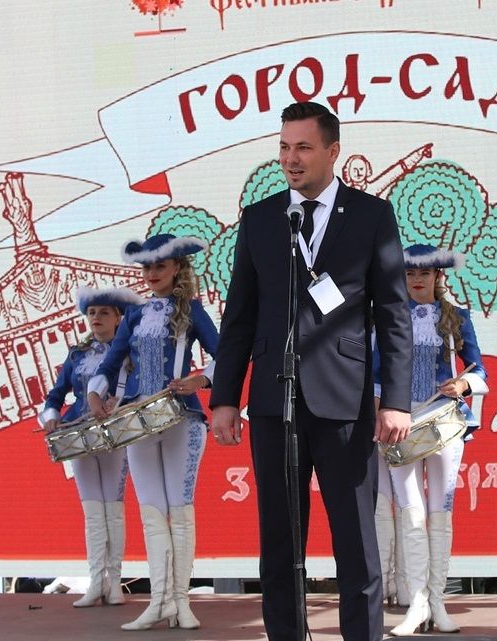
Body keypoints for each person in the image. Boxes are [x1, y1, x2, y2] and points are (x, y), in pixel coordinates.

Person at [208, 101, 414, 641]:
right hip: (274, 402)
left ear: (332, 151)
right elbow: (239, 316)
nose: (290, 159)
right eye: (283, 147)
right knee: (279, 545)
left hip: (344, 401)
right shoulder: (261, 218)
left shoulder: (371, 215)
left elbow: (394, 315)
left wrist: (396, 400)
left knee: (356, 544)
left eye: (303, 147)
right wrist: (225, 397)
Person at [86, 235, 219, 631]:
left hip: (181, 418)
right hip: (138, 421)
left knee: (179, 511)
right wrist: (95, 394)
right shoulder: (134, 315)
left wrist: (200, 380)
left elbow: (225, 353)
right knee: (152, 514)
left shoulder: (192, 310)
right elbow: (110, 363)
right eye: (146, 267)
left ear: (177, 267)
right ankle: (159, 602)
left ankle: (181, 603)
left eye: (160, 266)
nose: (152, 273)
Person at [374, 245, 487, 635]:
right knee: (411, 512)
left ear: (439, 276)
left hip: (444, 422)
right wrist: (379, 411)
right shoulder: (388, 318)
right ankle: (417, 603)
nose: (417, 279)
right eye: (410, 273)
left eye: (424, 273)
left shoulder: (457, 317)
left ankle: (437, 602)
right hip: (401, 422)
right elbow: (376, 373)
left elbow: (480, 370)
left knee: (440, 513)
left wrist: (463, 384)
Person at [40, 286, 143, 608]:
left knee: (113, 509)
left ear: (118, 318)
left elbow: (138, 388)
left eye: (104, 312)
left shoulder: (128, 353)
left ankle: (115, 583)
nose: (96, 318)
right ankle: (96, 581)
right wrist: (52, 417)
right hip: (78, 433)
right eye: (92, 313)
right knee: (93, 512)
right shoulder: (77, 355)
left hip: (115, 434)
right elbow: (55, 395)